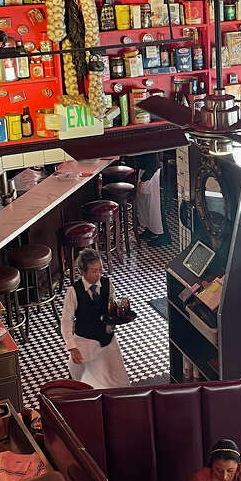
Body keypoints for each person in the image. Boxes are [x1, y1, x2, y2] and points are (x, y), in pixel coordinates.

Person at [59, 248, 130, 388]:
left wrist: (119, 316)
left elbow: (111, 307)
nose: (98, 274)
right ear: (82, 272)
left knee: (118, 380)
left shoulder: (107, 284)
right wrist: (72, 347)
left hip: (107, 340)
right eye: (94, 271)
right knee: (83, 383)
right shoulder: (73, 291)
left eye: (100, 270)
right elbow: (66, 321)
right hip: (85, 342)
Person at [131, 152, 170, 247]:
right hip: (144, 170)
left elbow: (153, 164)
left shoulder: (149, 142)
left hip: (151, 174)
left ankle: (164, 237)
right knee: (146, 205)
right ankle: (151, 230)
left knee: (155, 208)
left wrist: (144, 179)